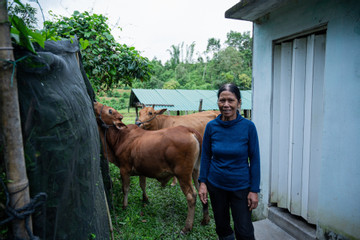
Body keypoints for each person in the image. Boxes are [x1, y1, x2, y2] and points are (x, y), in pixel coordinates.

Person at [198, 83, 260, 240]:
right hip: (216, 185)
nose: (226, 105)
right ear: (218, 102)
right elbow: (205, 155)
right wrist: (203, 182)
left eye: (230, 100)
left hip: (241, 187)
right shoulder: (211, 127)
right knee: (222, 227)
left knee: (244, 231)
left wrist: (254, 190)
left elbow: (255, 159)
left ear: (239, 103)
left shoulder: (248, 127)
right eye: (222, 100)